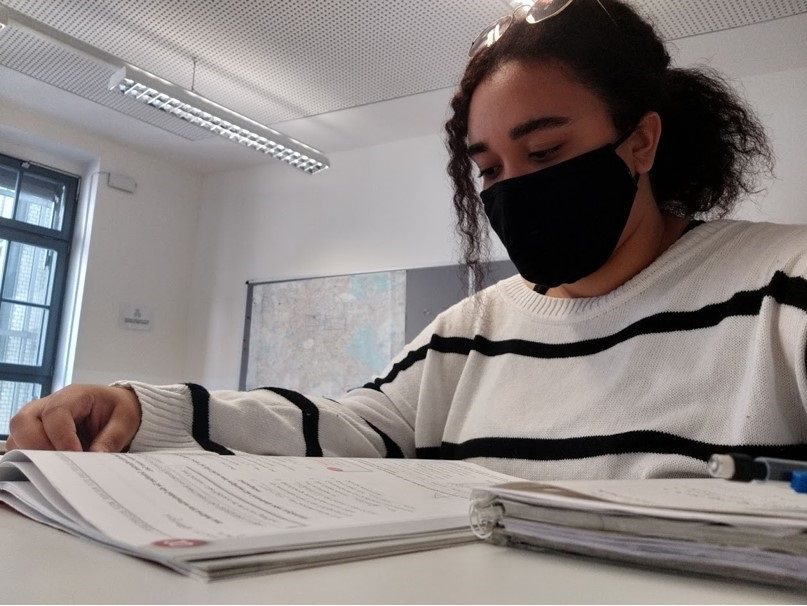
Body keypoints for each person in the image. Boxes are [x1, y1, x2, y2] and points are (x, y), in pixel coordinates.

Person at [7, 0, 807, 480]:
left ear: (640, 142)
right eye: (488, 168)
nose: (513, 187)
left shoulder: (783, 285)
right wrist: (140, 409)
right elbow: (348, 426)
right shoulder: (471, 333)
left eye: (546, 152)